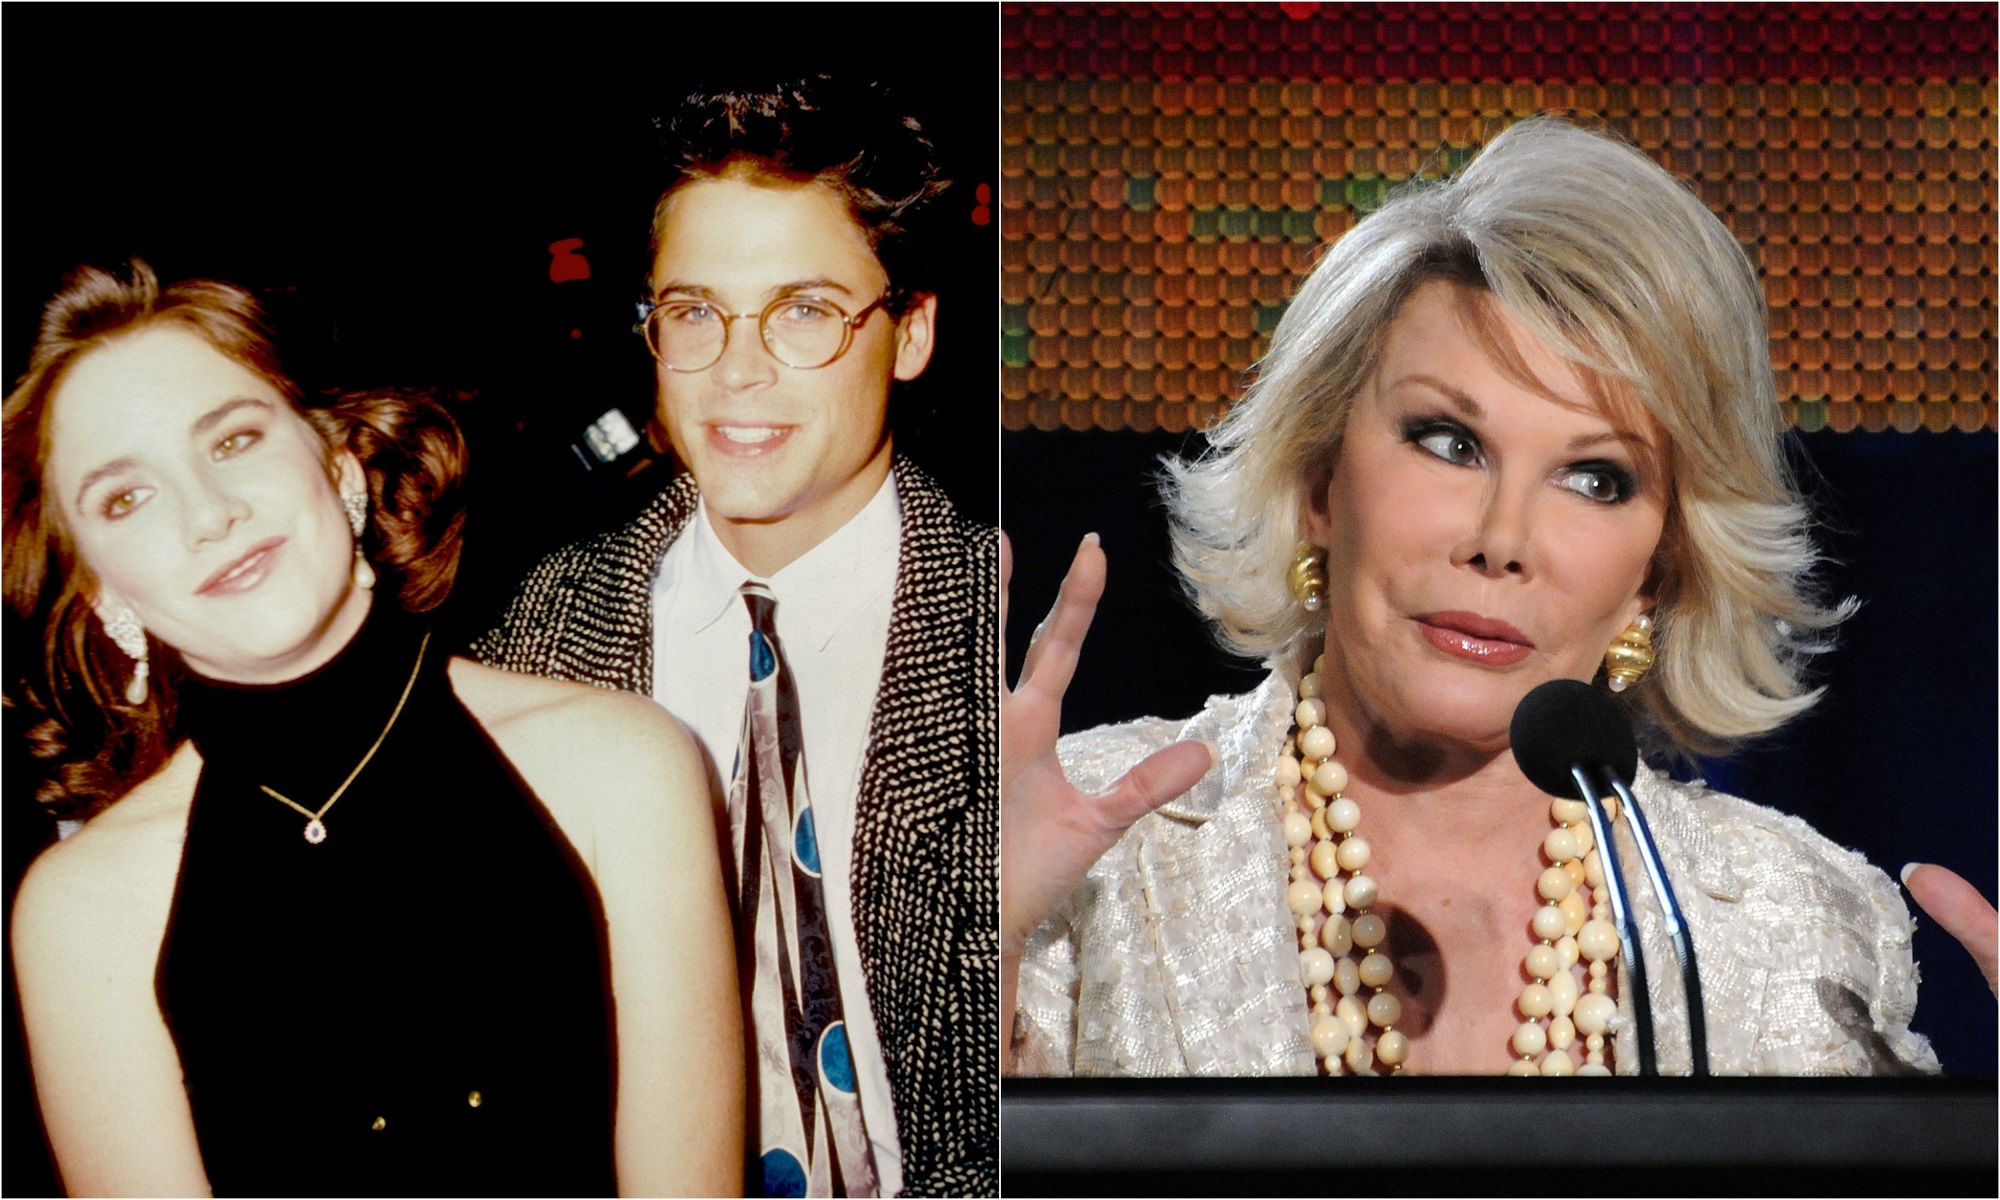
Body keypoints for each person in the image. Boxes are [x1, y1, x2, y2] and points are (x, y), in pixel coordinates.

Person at [1002, 117, 1996, 1078]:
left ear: (1655, 569)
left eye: (1595, 477)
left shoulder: (1798, 923)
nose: (1500, 542)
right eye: (1447, 441)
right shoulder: (1078, 851)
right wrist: (955, 973)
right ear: (1316, 484)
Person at [3, 262, 743, 1195]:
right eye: (125, 497)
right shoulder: (82, 911)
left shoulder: (624, 765)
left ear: (340, 466)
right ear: (99, 584)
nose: (208, 514)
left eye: (232, 440)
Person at [474, 77, 997, 1196]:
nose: (735, 367)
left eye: (804, 310)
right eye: (694, 311)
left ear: (908, 333)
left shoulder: (1013, 627)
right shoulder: (541, 638)